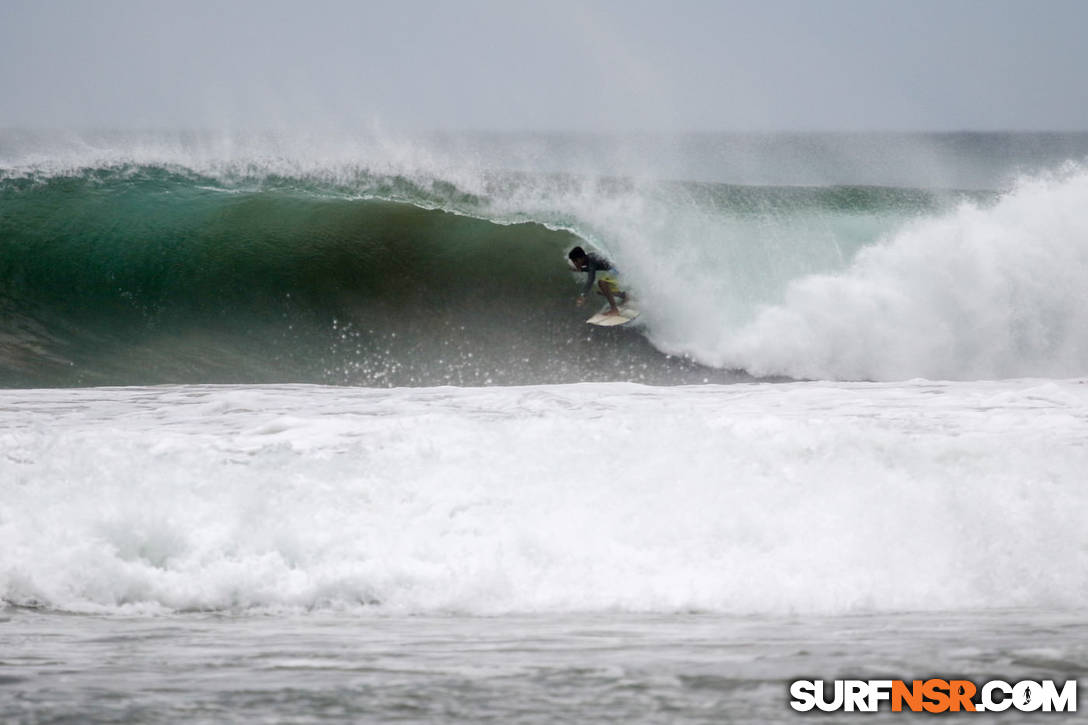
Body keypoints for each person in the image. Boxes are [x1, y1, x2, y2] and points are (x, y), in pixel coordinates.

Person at [568, 246, 627, 315]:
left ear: (579, 259)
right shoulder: (590, 258)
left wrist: (583, 295)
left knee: (602, 283)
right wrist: (581, 269)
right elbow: (593, 268)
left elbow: (591, 279)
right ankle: (625, 295)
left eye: (575, 262)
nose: (575, 264)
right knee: (600, 291)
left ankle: (614, 310)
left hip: (619, 273)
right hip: (617, 272)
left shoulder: (591, 260)